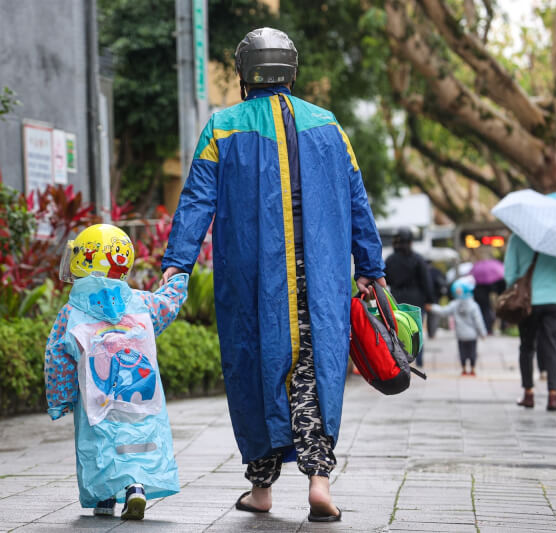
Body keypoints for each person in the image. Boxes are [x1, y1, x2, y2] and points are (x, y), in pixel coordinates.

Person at [161, 28, 385, 523]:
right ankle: (319, 483)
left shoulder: (223, 127)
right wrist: (369, 266)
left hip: (252, 277)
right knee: (313, 368)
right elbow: (357, 200)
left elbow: (197, 200)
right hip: (321, 277)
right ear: (291, 68)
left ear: (244, 72)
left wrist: (176, 267)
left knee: (256, 369)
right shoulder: (328, 124)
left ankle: (261, 491)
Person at [44, 224, 189, 520]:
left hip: (96, 394)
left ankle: (104, 496)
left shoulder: (71, 311)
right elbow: (167, 305)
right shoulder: (141, 302)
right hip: (139, 391)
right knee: (137, 438)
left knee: (99, 441)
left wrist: (61, 398)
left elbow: (58, 353)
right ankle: (136, 487)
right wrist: (175, 283)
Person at [504, 233, 556, 411]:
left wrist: (514, 291)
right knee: (554, 346)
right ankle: (553, 396)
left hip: (527, 302)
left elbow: (509, 273)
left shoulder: (517, 238)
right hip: (555, 299)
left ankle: (528, 394)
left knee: (527, 346)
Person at [383, 228, 435, 366]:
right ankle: (419, 359)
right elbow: (426, 281)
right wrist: (429, 300)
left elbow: (385, 280)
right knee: (416, 330)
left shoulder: (390, 260)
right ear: (411, 242)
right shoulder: (418, 259)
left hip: (397, 299)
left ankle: (401, 360)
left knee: (400, 330)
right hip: (417, 299)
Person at [429, 277, 487, 376]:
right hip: (472, 335)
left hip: (460, 335)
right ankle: (472, 369)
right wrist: (483, 333)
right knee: (472, 352)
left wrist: (432, 307)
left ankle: (464, 369)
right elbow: (479, 321)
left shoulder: (454, 304)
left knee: (462, 353)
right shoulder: (474, 306)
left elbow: (443, 311)